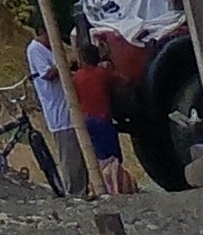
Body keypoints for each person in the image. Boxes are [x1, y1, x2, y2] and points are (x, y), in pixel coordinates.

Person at [25, 30, 86, 194]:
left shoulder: (52, 49)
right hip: (59, 112)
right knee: (69, 154)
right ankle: (74, 191)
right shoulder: (35, 49)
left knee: (79, 153)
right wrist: (66, 62)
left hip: (70, 107)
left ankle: (84, 187)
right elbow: (48, 73)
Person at [70, 46, 127, 194]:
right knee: (112, 158)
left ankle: (99, 187)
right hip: (103, 120)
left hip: (86, 121)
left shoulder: (77, 77)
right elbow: (124, 81)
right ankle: (113, 187)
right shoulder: (102, 73)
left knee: (97, 157)